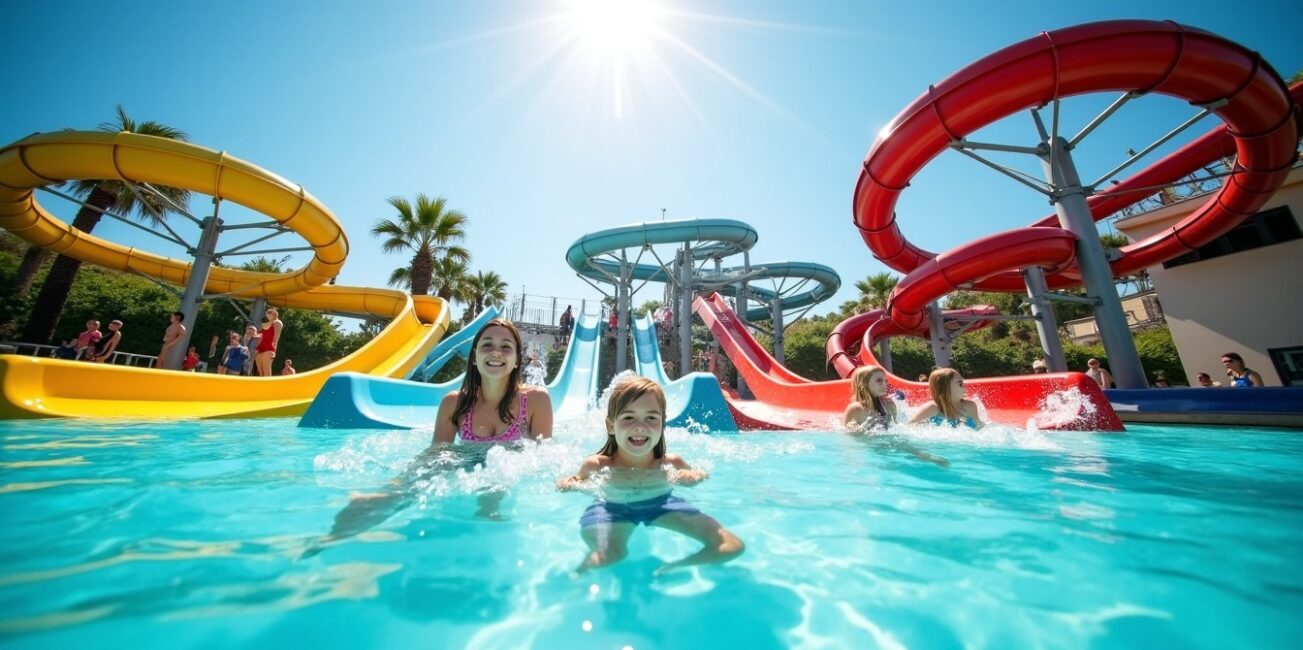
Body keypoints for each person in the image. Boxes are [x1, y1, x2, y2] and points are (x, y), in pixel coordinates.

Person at [557, 376, 744, 574]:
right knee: (611, 555)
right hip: (611, 509)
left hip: (661, 505)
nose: (640, 427)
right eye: (628, 418)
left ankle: (671, 569)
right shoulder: (596, 465)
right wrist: (568, 483)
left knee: (731, 545)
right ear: (611, 425)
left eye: (651, 418)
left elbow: (698, 475)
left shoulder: (671, 463)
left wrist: (692, 478)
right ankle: (575, 577)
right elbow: (571, 482)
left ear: (663, 424)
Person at [433, 318, 554, 517]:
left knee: (492, 496)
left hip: (509, 477)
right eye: (487, 345)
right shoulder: (454, 404)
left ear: (517, 360)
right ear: (474, 357)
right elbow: (436, 457)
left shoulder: (536, 400)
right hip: (466, 472)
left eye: (506, 347)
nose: (495, 352)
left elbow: (544, 458)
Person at [910, 368, 984, 429]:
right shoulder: (932, 408)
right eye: (960, 384)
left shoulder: (970, 407)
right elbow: (910, 427)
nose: (965, 387)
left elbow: (979, 429)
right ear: (944, 388)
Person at [843, 365, 897, 431]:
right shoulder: (856, 409)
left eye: (885, 381)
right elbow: (848, 436)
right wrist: (864, 428)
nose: (884, 384)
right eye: (879, 381)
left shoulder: (889, 404)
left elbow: (897, 429)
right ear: (864, 384)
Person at [254, 307, 283, 377]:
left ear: (275, 313)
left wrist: (275, 342)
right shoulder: (264, 324)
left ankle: (269, 387)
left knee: (266, 371)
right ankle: (262, 387)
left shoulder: (277, 322)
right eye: (267, 313)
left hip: (269, 347)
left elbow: (277, 335)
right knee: (260, 372)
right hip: (260, 348)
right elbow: (260, 335)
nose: (268, 314)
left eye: (270, 312)